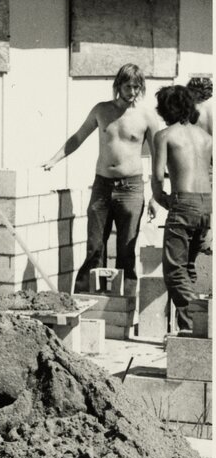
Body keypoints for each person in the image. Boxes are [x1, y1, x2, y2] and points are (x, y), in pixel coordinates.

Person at [42, 63, 161, 293]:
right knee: (95, 247)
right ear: (118, 85)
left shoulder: (147, 116)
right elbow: (78, 137)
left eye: (137, 87)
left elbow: (158, 158)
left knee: (126, 250)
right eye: (128, 87)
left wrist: (156, 196)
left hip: (131, 189)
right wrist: (54, 160)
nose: (133, 92)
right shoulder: (101, 110)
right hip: (102, 186)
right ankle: (88, 301)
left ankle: (123, 308)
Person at [150, 84, 212, 332]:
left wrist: (159, 197)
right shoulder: (206, 137)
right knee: (188, 267)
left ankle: (191, 326)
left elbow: (157, 176)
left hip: (183, 202)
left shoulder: (164, 135)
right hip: (206, 202)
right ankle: (197, 326)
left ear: (165, 109)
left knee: (174, 270)